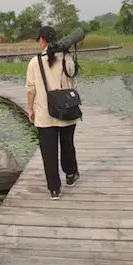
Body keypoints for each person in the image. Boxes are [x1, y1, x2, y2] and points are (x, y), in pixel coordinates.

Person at [25, 26, 80, 200]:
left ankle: (54, 189)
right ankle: (71, 175)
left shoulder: (35, 62)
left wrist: (30, 109)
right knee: (67, 145)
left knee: (48, 152)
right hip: (66, 111)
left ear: (42, 40)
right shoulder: (67, 57)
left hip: (44, 114)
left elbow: (30, 90)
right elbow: (72, 76)